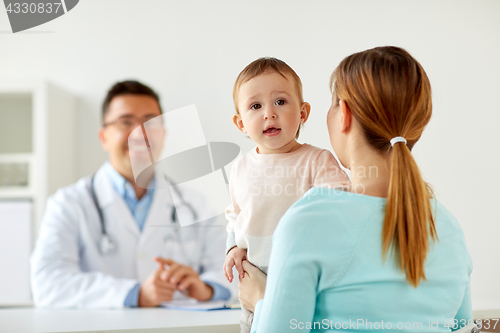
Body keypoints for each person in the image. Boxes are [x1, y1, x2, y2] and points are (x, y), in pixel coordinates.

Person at [238, 47, 473, 332]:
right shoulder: (447, 226)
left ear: (344, 115)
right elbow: (461, 325)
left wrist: (260, 299)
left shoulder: (309, 222)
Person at [30, 80, 233, 308]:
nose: (139, 133)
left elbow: (232, 272)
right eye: (125, 122)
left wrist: (206, 288)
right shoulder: (68, 204)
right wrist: (135, 294)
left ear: (163, 135)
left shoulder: (194, 205)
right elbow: (48, 284)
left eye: (150, 122)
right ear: (104, 137)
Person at [223, 57, 349, 332]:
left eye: (280, 101)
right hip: (253, 282)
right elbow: (235, 217)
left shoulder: (316, 160)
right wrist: (233, 247)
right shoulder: (240, 167)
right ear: (241, 123)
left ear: (303, 113)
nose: (269, 113)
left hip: (301, 280)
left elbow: (342, 209)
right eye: (255, 106)